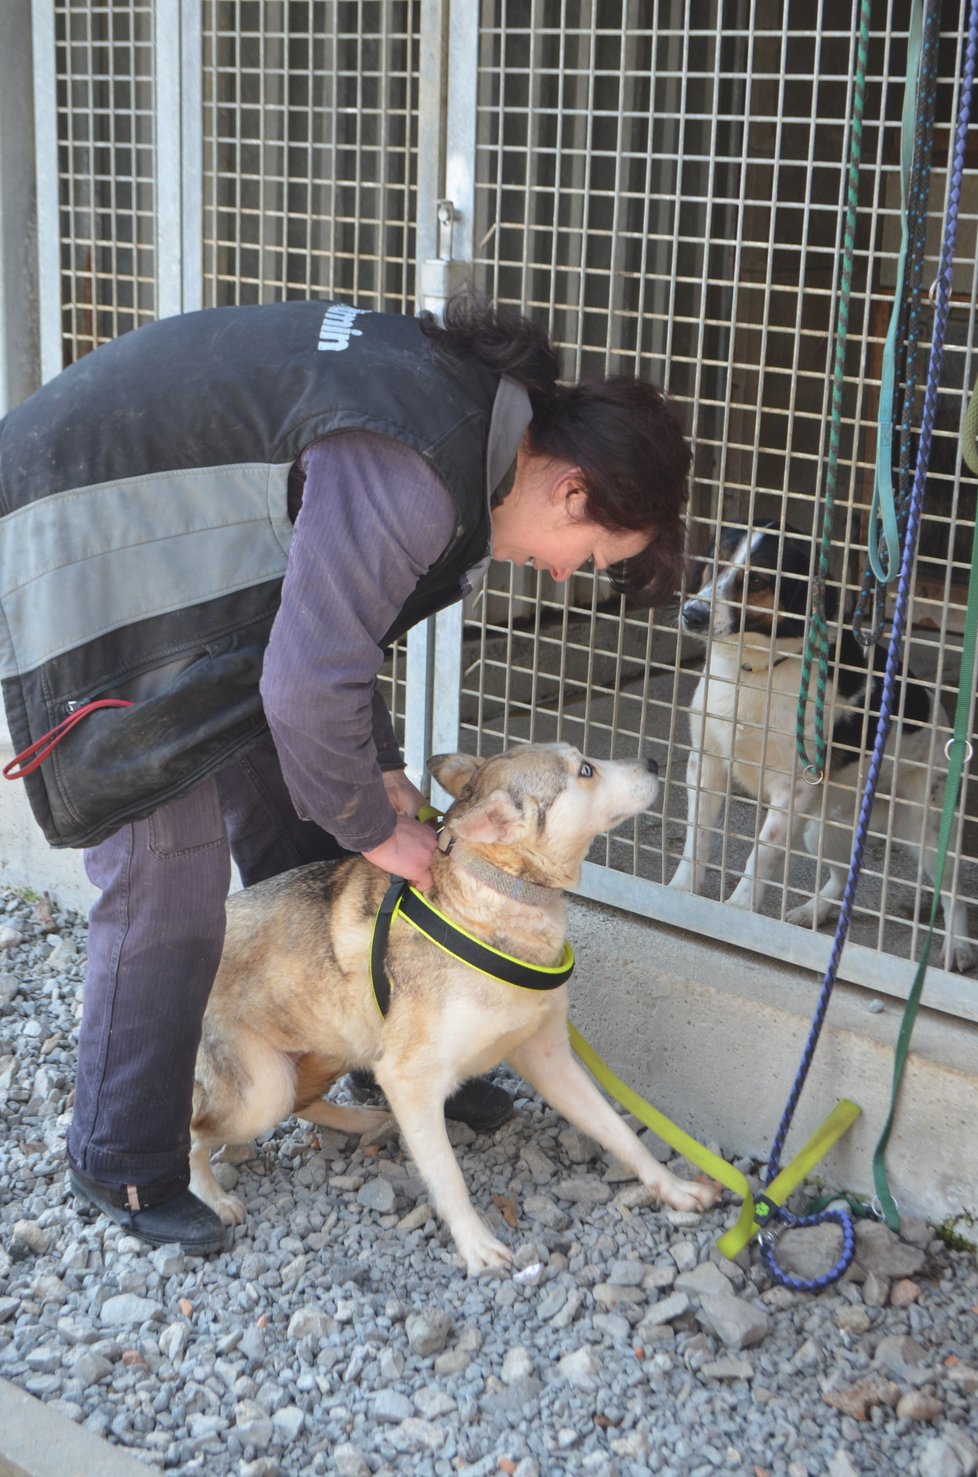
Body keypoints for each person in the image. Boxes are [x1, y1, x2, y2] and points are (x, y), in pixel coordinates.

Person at [0, 294, 692, 1255]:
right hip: (87, 536)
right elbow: (306, 676)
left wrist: (379, 770)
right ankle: (120, 1156)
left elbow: (326, 611)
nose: (566, 576)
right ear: (573, 489)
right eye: (593, 555)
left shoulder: (476, 423)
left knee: (316, 798)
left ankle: (379, 1036)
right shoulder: (422, 464)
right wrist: (372, 825)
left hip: (195, 563)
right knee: (170, 868)